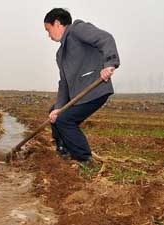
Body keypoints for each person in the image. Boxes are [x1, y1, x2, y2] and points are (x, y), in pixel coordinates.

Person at [44, 8, 120, 162]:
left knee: (65, 120)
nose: (48, 35)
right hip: (78, 95)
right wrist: (59, 106)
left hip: (94, 89)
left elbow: (105, 39)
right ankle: (63, 149)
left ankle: (84, 158)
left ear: (57, 23)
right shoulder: (60, 55)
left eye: (48, 29)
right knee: (55, 112)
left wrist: (110, 63)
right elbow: (64, 83)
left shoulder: (77, 29)